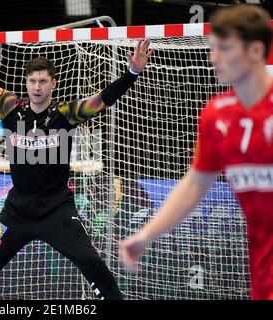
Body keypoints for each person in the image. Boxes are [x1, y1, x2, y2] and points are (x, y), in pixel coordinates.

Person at [0, 21, 153, 300]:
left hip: (57, 209)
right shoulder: (9, 105)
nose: (37, 87)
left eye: (43, 81)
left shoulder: (68, 113)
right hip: (16, 210)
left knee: (96, 269)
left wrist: (133, 72)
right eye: (32, 81)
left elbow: (105, 98)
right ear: (26, 83)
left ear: (53, 84)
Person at [119, 4, 273, 300]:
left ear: (255, 51)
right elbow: (195, 184)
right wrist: (146, 235)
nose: (213, 57)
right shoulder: (217, 116)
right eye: (213, 48)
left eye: (224, 49)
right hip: (263, 272)